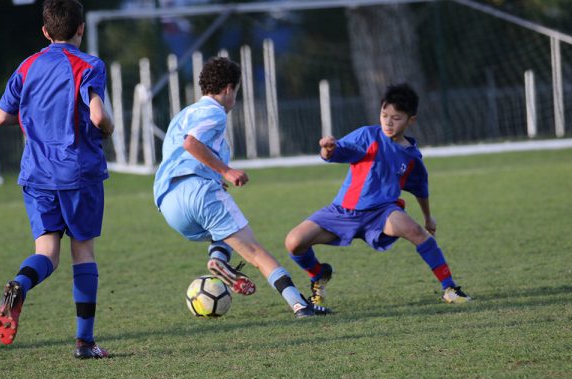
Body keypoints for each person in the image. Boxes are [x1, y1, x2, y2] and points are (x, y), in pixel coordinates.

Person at [153, 56, 331, 318]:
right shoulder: (214, 112)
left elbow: (180, 152)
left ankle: (220, 261)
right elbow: (191, 143)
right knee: (256, 253)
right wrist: (226, 170)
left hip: (168, 203)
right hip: (198, 193)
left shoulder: (182, 115)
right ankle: (300, 305)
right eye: (236, 91)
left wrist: (215, 176)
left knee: (221, 232)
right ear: (228, 89)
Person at [0, 0, 114, 359]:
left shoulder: (27, 65)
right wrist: (109, 126)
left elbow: (1, 117)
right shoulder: (90, 64)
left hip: (37, 174)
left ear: (45, 32)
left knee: (46, 252)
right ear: (81, 28)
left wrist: (33, 120)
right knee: (83, 252)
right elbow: (96, 116)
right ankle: (85, 343)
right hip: (78, 172)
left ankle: (20, 284)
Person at [285, 83, 471, 306]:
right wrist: (327, 148)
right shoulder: (368, 135)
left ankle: (450, 288)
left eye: (396, 118)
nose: (388, 122)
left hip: (382, 213)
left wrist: (428, 217)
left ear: (411, 120)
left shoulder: (411, 156)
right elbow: (339, 151)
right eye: (384, 115)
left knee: (416, 232)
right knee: (294, 242)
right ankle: (318, 274)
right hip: (343, 212)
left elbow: (421, 188)